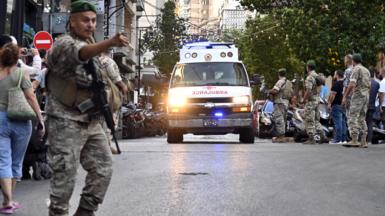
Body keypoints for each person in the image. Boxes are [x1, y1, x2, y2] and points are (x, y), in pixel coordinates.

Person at [45, 1, 129, 215]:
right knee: (65, 178)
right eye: (85, 20)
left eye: (93, 20)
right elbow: (81, 53)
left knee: (103, 169)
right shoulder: (63, 44)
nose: (90, 25)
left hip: (91, 121)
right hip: (65, 121)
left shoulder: (93, 49)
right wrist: (110, 42)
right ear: (71, 21)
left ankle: (85, 212)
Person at [0, 42, 45, 214]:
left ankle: (7, 201)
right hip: (21, 121)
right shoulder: (22, 74)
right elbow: (31, 98)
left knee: (3, 160)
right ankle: (8, 200)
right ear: (17, 57)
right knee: (16, 161)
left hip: (1, 119)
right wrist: (40, 120)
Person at [99, 49, 128, 154]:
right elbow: (115, 77)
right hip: (109, 93)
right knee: (111, 118)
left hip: (97, 93)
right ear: (111, 54)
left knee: (100, 120)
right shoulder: (109, 62)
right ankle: (107, 144)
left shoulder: (97, 60)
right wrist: (123, 86)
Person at [342, 53, 370, 148]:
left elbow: (352, 84)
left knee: (352, 116)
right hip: (366, 95)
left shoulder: (356, 69)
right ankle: (363, 141)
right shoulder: (366, 70)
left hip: (358, 95)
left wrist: (345, 96)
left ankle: (354, 139)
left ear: (353, 61)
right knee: (362, 117)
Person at [301, 60, 326, 144]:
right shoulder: (318, 76)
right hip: (317, 100)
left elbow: (308, 90)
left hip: (311, 101)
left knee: (309, 119)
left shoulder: (310, 77)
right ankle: (323, 135)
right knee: (316, 120)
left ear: (307, 67)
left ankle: (311, 138)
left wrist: (303, 100)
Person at [269, 68, 291, 143]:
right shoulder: (289, 82)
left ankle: (281, 136)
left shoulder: (280, 81)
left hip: (279, 101)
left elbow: (275, 90)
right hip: (286, 102)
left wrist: (269, 91)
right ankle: (282, 135)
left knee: (279, 118)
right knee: (284, 118)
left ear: (279, 74)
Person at [327, 70, 347, 144]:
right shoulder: (345, 84)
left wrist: (329, 103)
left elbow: (332, 95)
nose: (334, 75)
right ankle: (343, 139)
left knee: (337, 123)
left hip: (336, 104)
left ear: (337, 75)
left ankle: (338, 139)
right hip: (343, 105)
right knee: (343, 122)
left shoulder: (336, 84)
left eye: (334, 74)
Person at [366, 69, 380, 144]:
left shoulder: (365, 82)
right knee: (370, 123)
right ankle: (369, 140)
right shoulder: (376, 84)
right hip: (372, 105)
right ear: (373, 74)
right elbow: (379, 95)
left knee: (362, 122)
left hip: (364, 105)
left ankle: (362, 139)